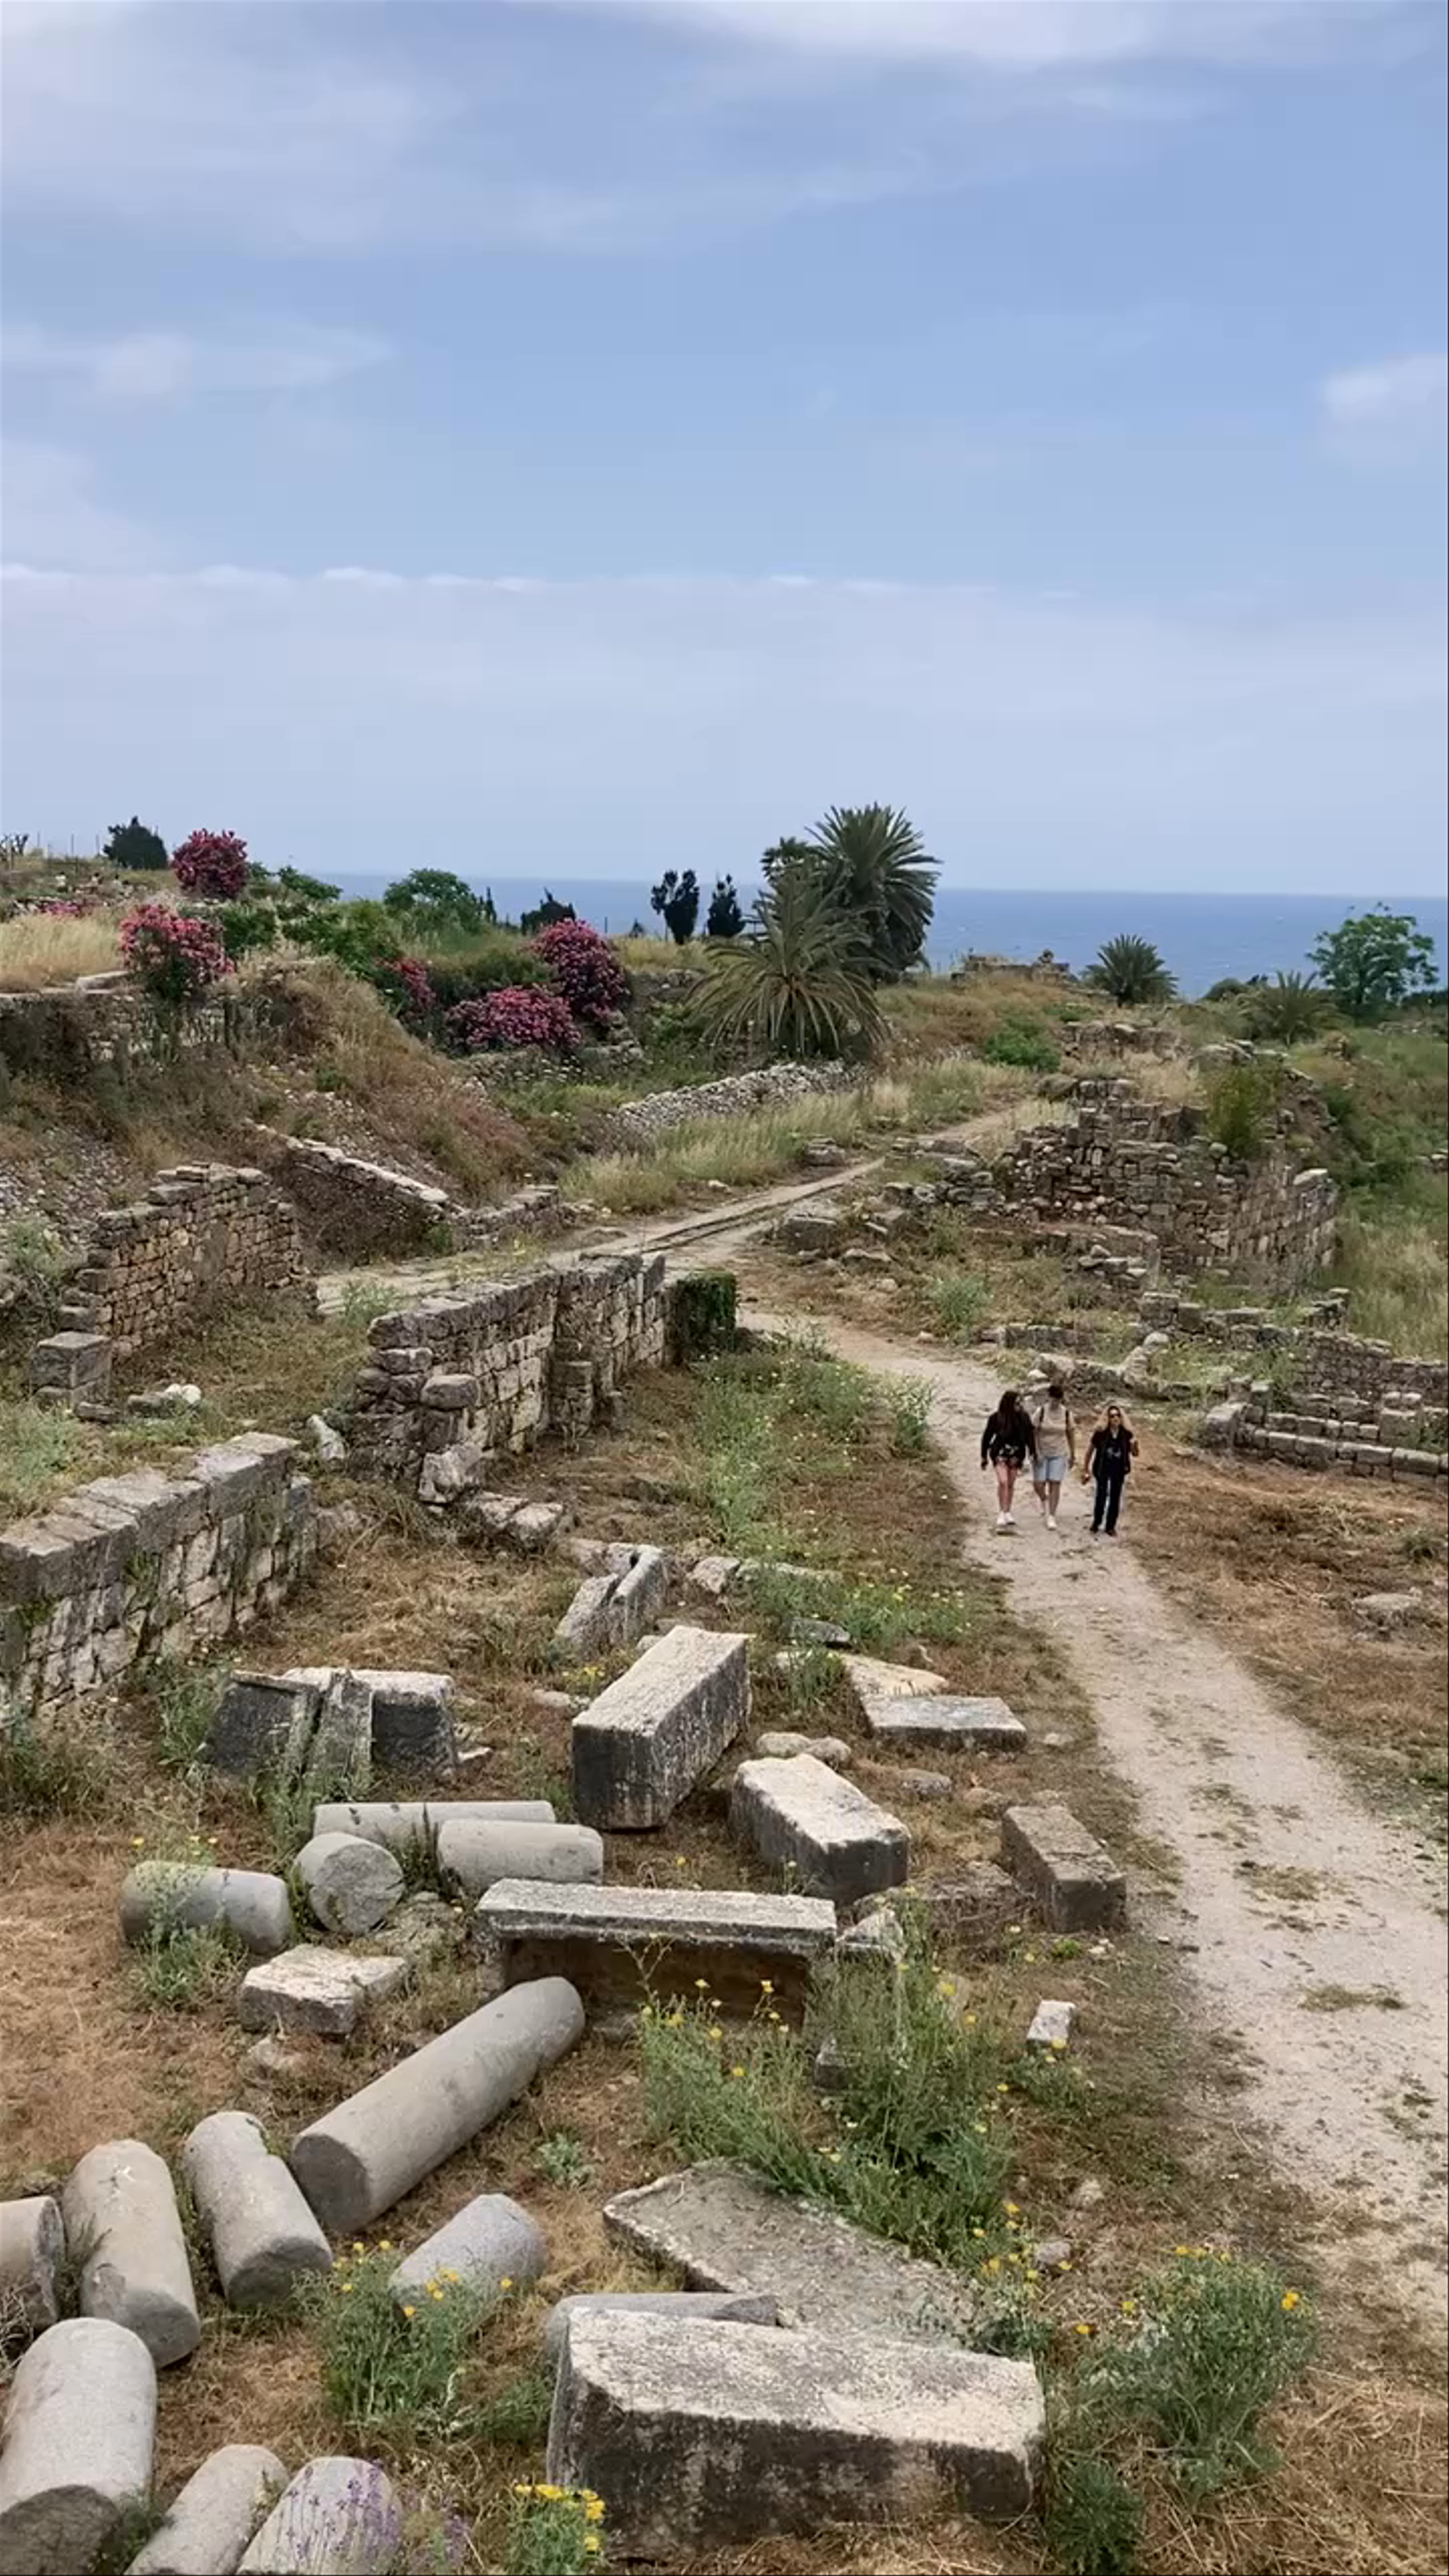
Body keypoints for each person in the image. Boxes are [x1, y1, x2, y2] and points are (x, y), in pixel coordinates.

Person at [980, 1388, 1035, 1533]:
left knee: (1011, 1483)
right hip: (1000, 1453)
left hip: (1017, 1454)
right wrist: (984, 1456)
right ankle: (1001, 1512)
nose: (1019, 1406)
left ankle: (1008, 1511)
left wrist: (1033, 1452)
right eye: (1017, 1403)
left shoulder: (1024, 1418)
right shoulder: (996, 1418)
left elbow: (1030, 1436)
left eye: (1020, 1403)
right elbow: (987, 1437)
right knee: (1003, 1482)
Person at [1082, 1403, 1138, 1536]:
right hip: (1102, 1468)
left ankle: (1111, 1526)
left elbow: (1135, 1454)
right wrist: (1086, 1469)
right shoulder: (1101, 1434)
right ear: (1107, 1418)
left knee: (1115, 1497)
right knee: (1101, 1496)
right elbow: (1090, 1452)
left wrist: (1135, 1446)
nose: (1115, 1418)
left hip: (1119, 1470)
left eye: (1118, 1416)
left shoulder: (1126, 1434)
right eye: (1112, 1416)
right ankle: (1097, 1522)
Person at [1028, 1380, 1076, 1532]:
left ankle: (1052, 1515)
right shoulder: (1041, 1412)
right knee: (1039, 1483)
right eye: (1053, 1399)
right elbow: (1034, 1433)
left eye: (1058, 1399)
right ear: (1048, 1397)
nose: (1055, 1402)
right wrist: (1037, 1452)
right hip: (1042, 1451)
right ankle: (1044, 1499)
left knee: (1055, 1483)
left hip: (1059, 1452)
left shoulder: (1067, 1414)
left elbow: (1071, 1434)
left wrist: (1073, 1454)